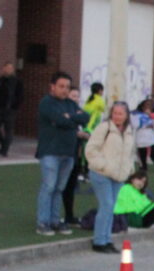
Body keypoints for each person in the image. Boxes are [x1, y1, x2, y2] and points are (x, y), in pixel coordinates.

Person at [35, 71, 89, 236]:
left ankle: (55, 220)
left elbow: (85, 117)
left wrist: (69, 117)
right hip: (50, 151)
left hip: (68, 152)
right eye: (61, 86)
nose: (64, 90)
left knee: (59, 188)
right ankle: (43, 222)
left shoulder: (70, 104)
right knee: (49, 187)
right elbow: (60, 120)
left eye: (67, 87)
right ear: (52, 87)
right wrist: (72, 119)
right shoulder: (46, 103)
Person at [84, 101, 136, 253]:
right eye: (115, 113)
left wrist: (129, 168)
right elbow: (91, 149)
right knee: (106, 204)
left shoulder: (129, 131)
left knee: (111, 207)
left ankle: (107, 239)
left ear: (126, 115)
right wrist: (103, 165)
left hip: (119, 175)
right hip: (101, 173)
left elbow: (131, 152)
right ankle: (99, 241)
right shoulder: (104, 128)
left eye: (120, 114)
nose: (117, 117)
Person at [60, 87, 91, 227]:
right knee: (60, 186)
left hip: (76, 155)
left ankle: (69, 215)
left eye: (78, 96)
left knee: (71, 186)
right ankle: (53, 216)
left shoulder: (77, 111)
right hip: (64, 154)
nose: (76, 98)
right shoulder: (63, 109)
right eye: (73, 95)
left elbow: (85, 119)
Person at [0, 62, 22, 157]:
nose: (8, 70)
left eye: (10, 68)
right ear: (3, 69)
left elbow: (20, 96)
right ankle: (3, 143)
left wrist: (15, 106)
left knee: (9, 130)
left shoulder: (17, 81)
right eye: (6, 68)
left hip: (10, 110)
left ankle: (4, 150)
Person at [132, 98, 154, 177]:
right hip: (141, 142)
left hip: (152, 141)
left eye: (150, 106)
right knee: (142, 162)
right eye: (146, 105)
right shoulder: (136, 115)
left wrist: (152, 120)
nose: (147, 108)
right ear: (142, 106)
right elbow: (135, 125)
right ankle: (142, 179)